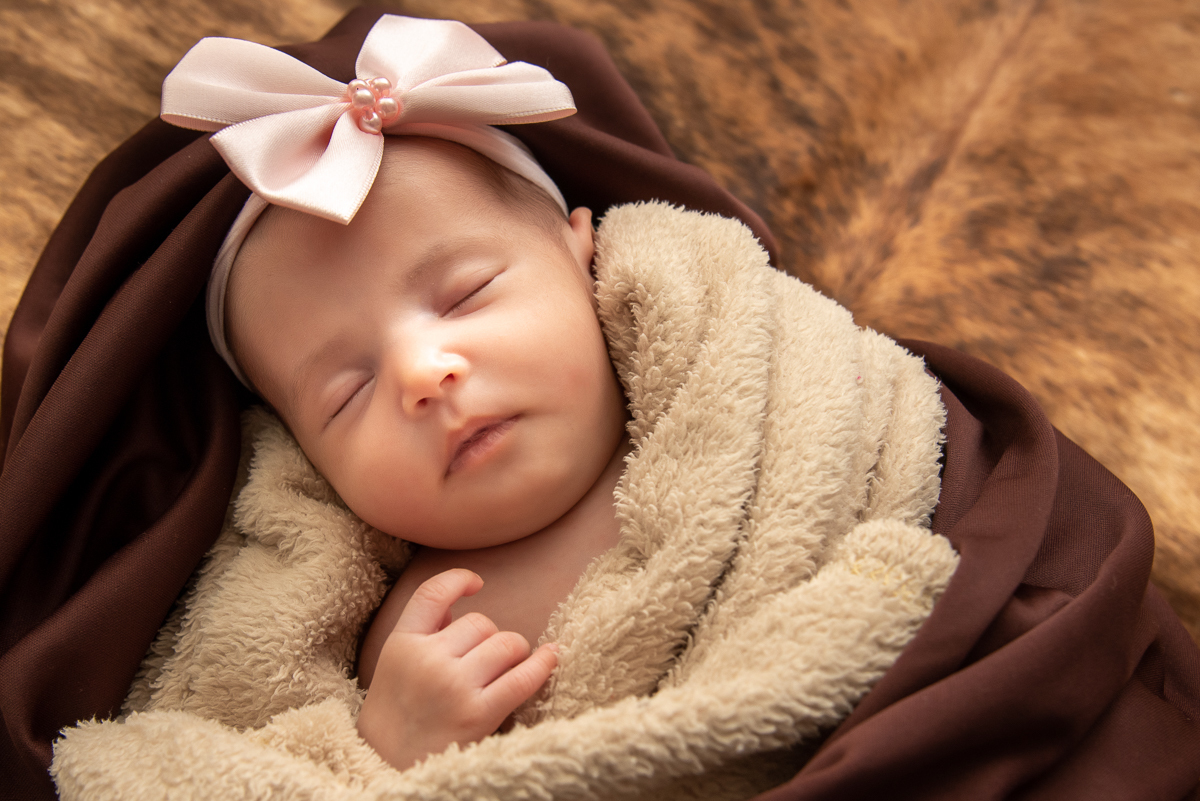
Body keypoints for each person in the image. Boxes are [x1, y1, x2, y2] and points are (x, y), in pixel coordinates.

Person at [5, 8, 1199, 801]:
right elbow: (236, 761)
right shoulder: (358, 616)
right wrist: (385, 746)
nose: (427, 373)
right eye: (347, 388)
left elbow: (987, 542)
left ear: (586, 258)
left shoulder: (783, 401)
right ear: (299, 451)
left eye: (466, 292)